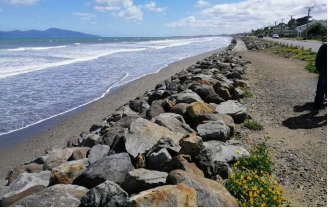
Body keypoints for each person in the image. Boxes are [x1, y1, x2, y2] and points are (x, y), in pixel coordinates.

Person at [313, 43, 327, 113]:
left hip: (324, 72)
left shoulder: (324, 46)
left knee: (320, 90)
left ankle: (317, 106)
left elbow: (318, 60)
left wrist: (320, 70)